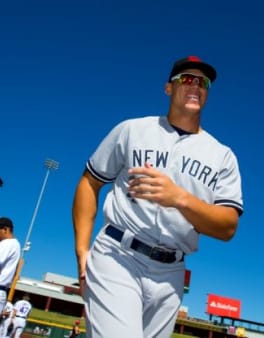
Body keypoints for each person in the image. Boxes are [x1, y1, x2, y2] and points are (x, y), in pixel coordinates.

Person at [72, 55, 243, 337]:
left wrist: (180, 198)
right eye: (186, 79)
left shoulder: (222, 156)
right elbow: (90, 182)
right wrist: (82, 251)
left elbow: (227, 227)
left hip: (171, 273)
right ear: (168, 88)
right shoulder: (132, 129)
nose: (195, 85)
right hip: (118, 254)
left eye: (203, 82)